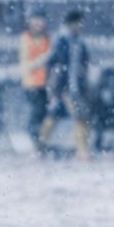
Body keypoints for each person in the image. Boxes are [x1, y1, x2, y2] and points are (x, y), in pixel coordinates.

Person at [39, 8, 92, 161]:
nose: (81, 26)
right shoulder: (62, 40)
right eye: (79, 23)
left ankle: (40, 148)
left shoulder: (78, 42)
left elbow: (84, 65)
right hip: (65, 88)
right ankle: (81, 150)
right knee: (78, 118)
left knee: (55, 117)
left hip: (73, 88)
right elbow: (53, 63)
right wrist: (54, 86)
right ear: (72, 23)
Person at [18, 12, 51, 149]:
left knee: (43, 113)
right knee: (36, 112)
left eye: (41, 22)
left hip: (45, 83)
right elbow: (26, 63)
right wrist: (43, 60)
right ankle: (33, 139)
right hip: (32, 83)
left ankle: (39, 140)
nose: (38, 25)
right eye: (35, 22)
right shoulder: (25, 38)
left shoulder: (47, 39)